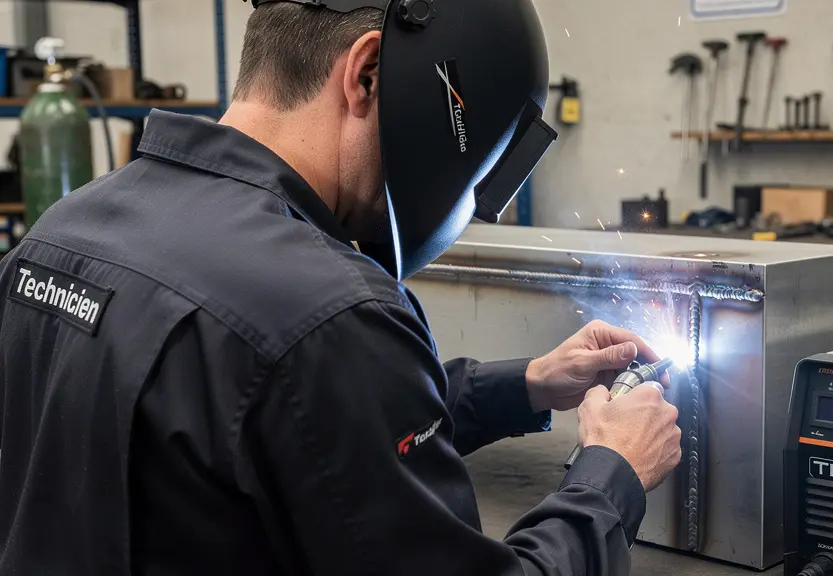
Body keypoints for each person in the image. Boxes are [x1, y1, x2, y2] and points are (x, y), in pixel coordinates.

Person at [0, 0, 682, 574]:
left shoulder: (59, 235)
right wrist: (609, 472)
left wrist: (526, 384)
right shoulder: (327, 308)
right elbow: (302, 371)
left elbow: (285, 418)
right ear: (368, 73)